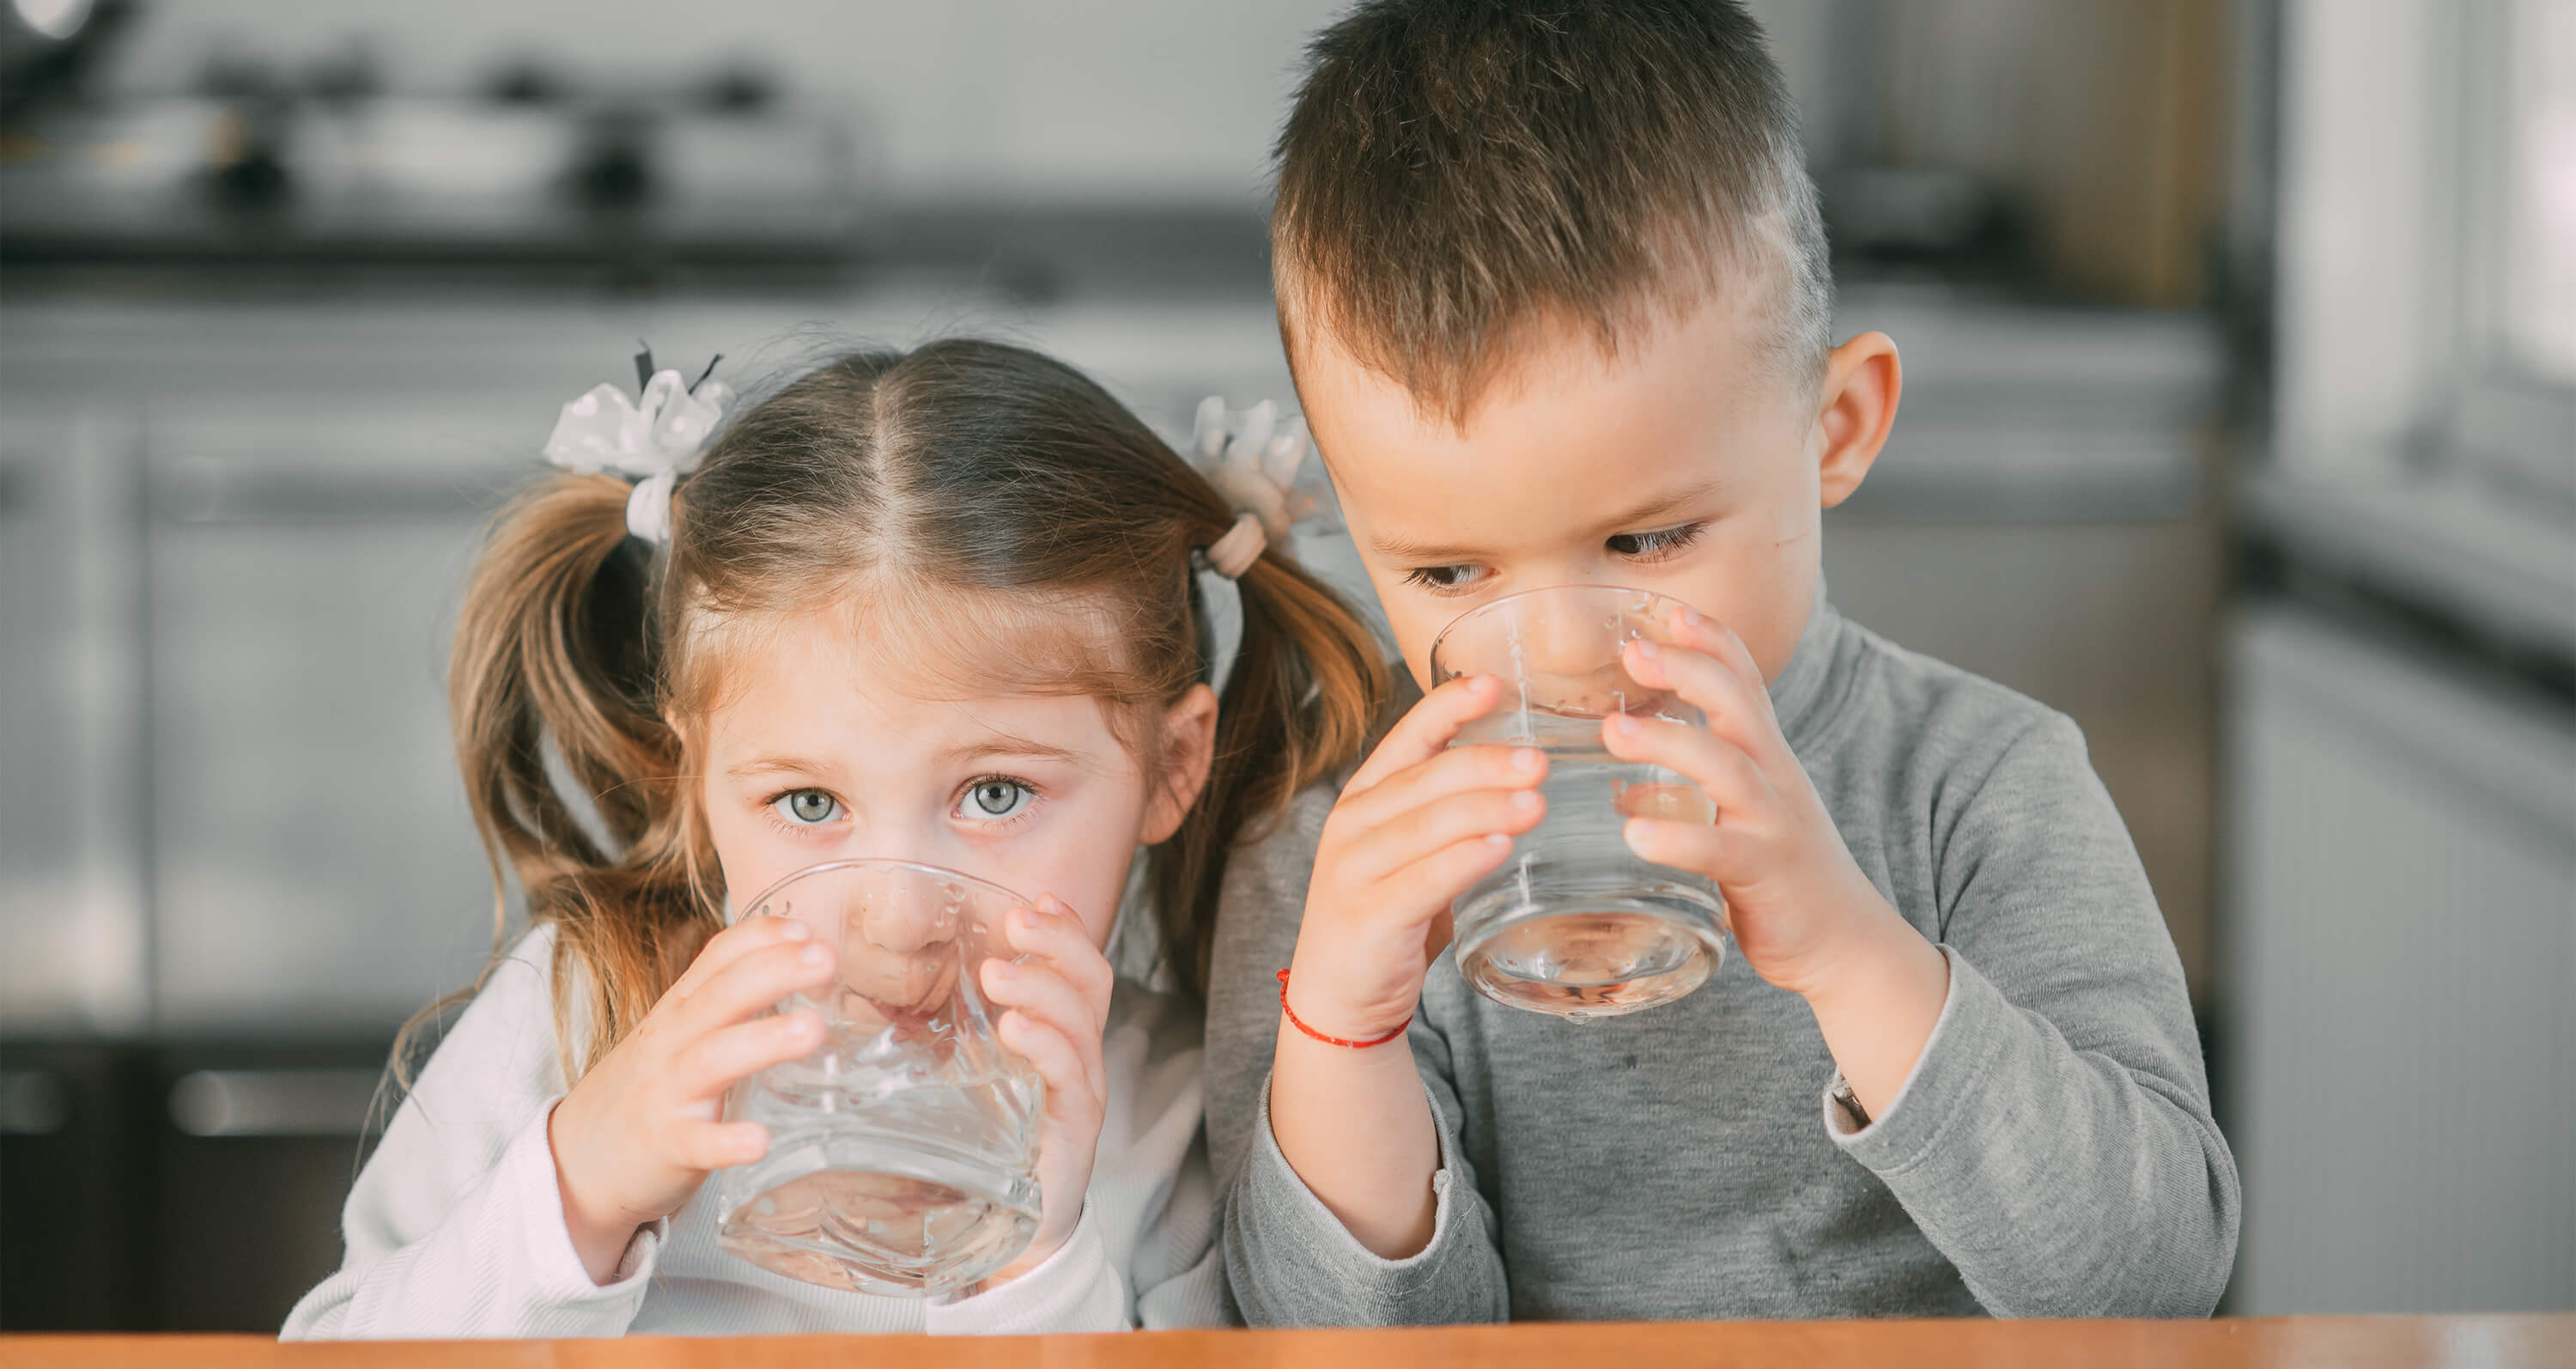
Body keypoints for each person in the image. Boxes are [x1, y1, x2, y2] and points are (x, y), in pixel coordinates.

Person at [1212, 0, 2240, 1322]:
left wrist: (1846, 945)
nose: (1571, 651)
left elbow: (2154, 1284)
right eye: (1449, 573)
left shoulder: (1981, 787)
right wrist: (1344, 1030)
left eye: (1645, 538)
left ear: (1837, 429)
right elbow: (1337, 1343)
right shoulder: (1332, 849)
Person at [284, 338, 1387, 1337]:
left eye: (996, 795)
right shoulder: (580, 1014)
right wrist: (581, 1185)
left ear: (1173, 766)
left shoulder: (1168, 1110)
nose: (898, 918)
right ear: (698, 779)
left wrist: (1029, 1262)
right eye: (809, 805)